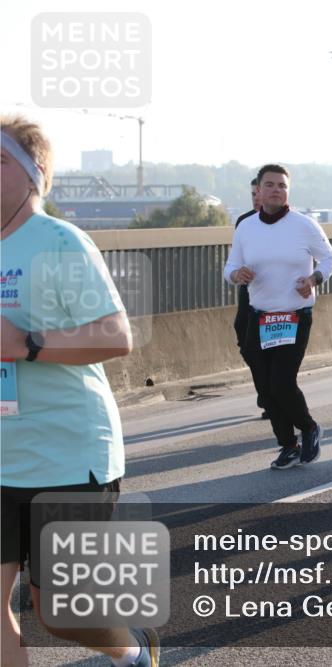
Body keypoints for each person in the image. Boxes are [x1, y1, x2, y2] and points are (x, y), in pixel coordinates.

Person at [1, 116, 159, 667]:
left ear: (34, 175)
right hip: (2, 458)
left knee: (62, 612)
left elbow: (116, 335)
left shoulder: (59, 243)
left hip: (67, 455)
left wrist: (26, 344)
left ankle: (133, 652)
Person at [224, 164, 332, 470]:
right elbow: (229, 266)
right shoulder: (246, 227)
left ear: (288, 191)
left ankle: (310, 427)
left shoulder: (304, 225)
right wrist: (237, 273)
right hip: (258, 317)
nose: (277, 190)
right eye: (270, 185)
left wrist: (313, 279)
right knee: (266, 387)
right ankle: (288, 445)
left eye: (282, 186)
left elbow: (330, 258)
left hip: (294, 315)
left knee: (282, 383)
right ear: (258, 191)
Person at [234, 177, 269, 420]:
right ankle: (266, 390)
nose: (257, 199)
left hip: (275, 297)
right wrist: (237, 272)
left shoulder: (290, 223)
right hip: (248, 293)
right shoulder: (243, 221)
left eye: (260, 193)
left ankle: (271, 396)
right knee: (246, 342)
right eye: (253, 195)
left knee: (271, 348)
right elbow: (235, 258)